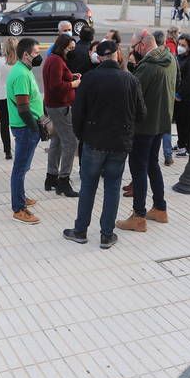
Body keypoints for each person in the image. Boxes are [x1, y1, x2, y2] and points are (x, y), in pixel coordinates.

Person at [63, 40, 145, 249]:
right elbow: (141, 113)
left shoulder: (89, 79)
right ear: (118, 55)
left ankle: (80, 230)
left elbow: (77, 113)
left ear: (98, 58)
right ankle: (107, 235)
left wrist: (82, 135)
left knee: (88, 186)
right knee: (113, 187)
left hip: (94, 141)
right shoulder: (130, 80)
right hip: (119, 142)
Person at [117, 33, 176, 233]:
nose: (133, 50)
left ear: (142, 45)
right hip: (161, 122)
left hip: (143, 127)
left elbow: (131, 92)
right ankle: (160, 208)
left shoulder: (148, 66)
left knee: (138, 168)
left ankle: (138, 216)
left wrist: (127, 69)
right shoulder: (169, 59)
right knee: (152, 164)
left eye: (134, 46)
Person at [7, 38, 46, 224]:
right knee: (20, 168)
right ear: (26, 55)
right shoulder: (21, 75)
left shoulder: (24, 70)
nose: (39, 56)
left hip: (28, 127)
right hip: (25, 128)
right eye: (36, 53)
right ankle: (19, 209)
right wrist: (35, 129)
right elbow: (23, 108)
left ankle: (21, 197)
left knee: (23, 167)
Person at [42, 34, 81, 197]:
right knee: (71, 142)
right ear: (63, 46)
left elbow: (56, 80)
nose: (71, 51)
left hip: (54, 106)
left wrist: (70, 76)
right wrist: (73, 84)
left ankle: (51, 177)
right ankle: (63, 181)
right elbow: (56, 86)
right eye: (70, 48)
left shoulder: (52, 59)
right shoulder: (57, 61)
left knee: (57, 141)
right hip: (60, 107)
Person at [0, 37, 18, 160]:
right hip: (17, 95)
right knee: (18, 122)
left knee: (4, 124)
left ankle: (7, 151)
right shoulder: (20, 62)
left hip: (1, 95)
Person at [174, 34, 190, 156]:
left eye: (183, 45)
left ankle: (186, 147)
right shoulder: (179, 57)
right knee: (179, 122)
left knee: (186, 123)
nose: (180, 47)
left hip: (186, 98)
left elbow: (189, 81)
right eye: (179, 44)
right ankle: (181, 143)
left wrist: (179, 94)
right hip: (177, 97)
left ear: (189, 47)